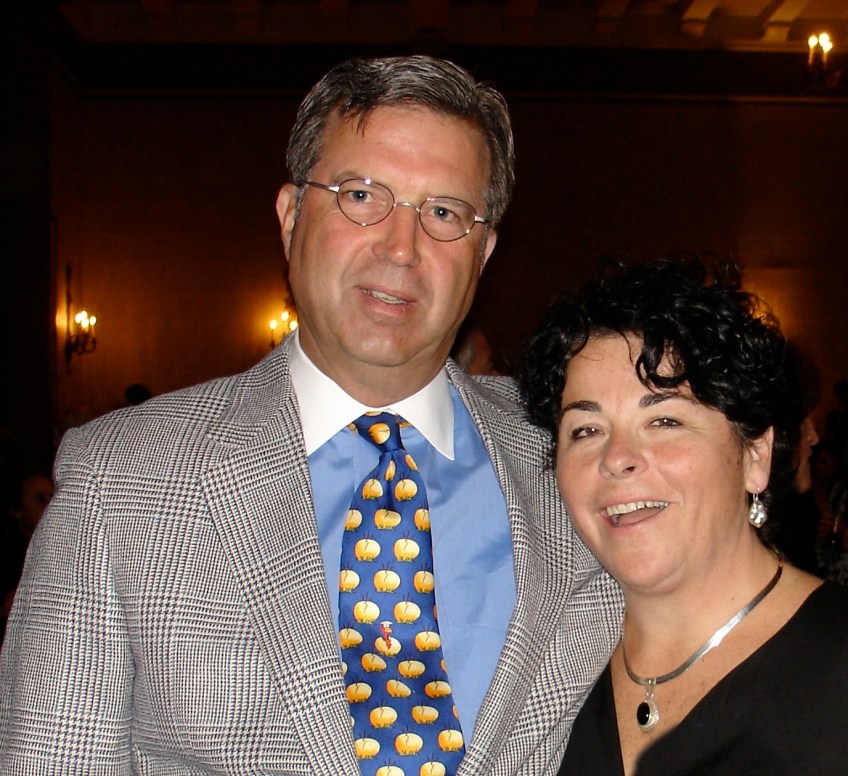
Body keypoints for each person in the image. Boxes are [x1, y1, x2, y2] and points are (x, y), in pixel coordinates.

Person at [0, 55, 622, 775]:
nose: (401, 248)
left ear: (482, 252)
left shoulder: (577, 454)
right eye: (361, 196)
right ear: (292, 216)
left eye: (443, 213)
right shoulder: (123, 480)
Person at [519, 256, 848, 775]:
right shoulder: (548, 665)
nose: (616, 458)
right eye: (586, 430)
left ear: (755, 454)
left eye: (664, 420)